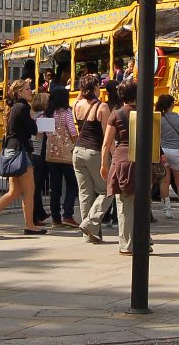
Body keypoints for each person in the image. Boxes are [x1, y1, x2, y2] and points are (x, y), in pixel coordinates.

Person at [0, 79, 46, 235]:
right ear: (19, 92)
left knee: (14, 191)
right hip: (20, 152)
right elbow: (33, 129)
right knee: (29, 191)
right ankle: (30, 226)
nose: (31, 91)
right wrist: (33, 117)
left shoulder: (15, 108)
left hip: (12, 150)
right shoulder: (23, 108)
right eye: (28, 89)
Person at [101, 79, 144, 255]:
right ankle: (144, 240)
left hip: (121, 161)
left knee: (125, 203)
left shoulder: (116, 114)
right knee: (142, 203)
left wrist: (104, 164)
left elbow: (106, 143)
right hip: (141, 160)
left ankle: (127, 245)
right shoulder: (145, 113)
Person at [73, 74, 113, 243]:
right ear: (96, 87)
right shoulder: (102, 107)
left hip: (77, 152)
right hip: (94, 152)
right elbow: (107, 136)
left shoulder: (76, 105)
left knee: (85, 194)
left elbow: (79, 98)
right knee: (108, 190)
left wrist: (83, 91)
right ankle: (89, 223)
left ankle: (90, 234)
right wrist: (112, 156)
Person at [155, 94, 179, 219]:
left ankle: (167, 210)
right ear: (172, 104)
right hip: (177, 152)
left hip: (163, 152)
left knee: (164, 182)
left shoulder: (158, 118)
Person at [45, 88, 79, 229]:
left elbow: (44, 132)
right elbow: (72, 131)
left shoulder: (47, 114)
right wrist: (77, 143)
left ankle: (56, 218)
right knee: (72, 184)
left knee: (55, 187)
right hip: (66, 154)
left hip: (51, 154)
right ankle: (68, 215)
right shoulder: (66, 113)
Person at [101, 80, 122, 227]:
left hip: (109, 146)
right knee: (118, 184)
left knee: (107, 183)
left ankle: (105, 215)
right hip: (120, 146)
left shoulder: (106, 107)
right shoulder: (122, 107)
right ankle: (115, 216)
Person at [30, 92, 51, 226]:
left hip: (33, 153)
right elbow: (50, 135)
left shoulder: (32, 115)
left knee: (35, 187)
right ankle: (36, 216)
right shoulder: (44, 117)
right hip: (38, 155)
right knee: (36, 187)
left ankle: (40, 213)